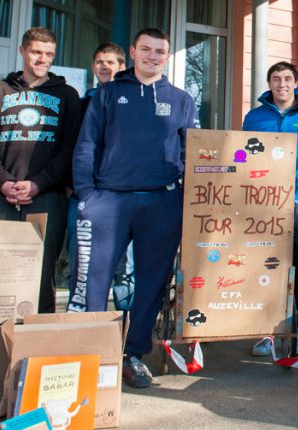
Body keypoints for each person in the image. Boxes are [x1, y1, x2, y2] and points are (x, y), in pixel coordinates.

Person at [69, 28, 198, 389]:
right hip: (109, 200)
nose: (153, 56)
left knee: (151, 284)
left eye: (160, 51)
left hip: (161, 202)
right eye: (146, 49)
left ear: (167, 57)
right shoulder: (108, 94)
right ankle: (92, 354)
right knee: (93, 281)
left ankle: (133, 354)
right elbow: (86, 145)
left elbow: (193, 155)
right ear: (133, 52)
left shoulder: (182, 100)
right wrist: (87, 196)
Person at [0, 27, 82, 314]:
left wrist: (37, 184)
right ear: (23, 51)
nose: (42, 59)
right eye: (36, 52)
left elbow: (69, 149)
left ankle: (36, 349)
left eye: (49, 54)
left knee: (40, 276)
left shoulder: (67, 95)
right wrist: (3, 183)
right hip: (1, 197)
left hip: (47, 197)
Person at [242, 61, 298, 356]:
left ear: (296, 84)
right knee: (265, 265)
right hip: (264, 202)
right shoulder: (255, 117)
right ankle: (266, 332)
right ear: (269, 84)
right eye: (276, 79)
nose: (282, 84)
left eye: (287, 79)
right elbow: (242, 155)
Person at [66, 43, 133, 309]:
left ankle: (123, 337)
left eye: (110, 62)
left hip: (120, 197)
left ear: (121, 67)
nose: (104, 66)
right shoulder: (82, 104)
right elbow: (69, 146)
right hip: (83, 196)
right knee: (81, 266)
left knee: (122, 270)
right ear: (93, 67)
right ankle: (82, 330)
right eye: (99, 62)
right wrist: (72, 186)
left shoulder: (130, 103)